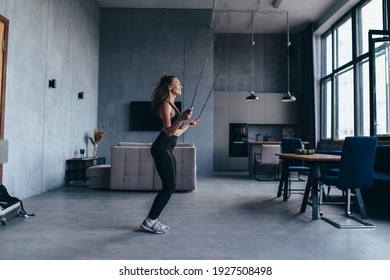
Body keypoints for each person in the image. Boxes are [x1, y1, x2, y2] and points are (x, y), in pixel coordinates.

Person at [140, 74, 199, 234]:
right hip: (161, 148)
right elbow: (167, 131)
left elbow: (176, 132)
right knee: (170, 186)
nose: (181, 86)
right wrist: (181, 118)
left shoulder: (172, 105)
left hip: (166, 148)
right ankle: (149, 221)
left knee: (170, 186)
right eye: (178, 83)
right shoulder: (165, 105)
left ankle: (152, 220)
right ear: (169, 87)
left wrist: (188, 124)